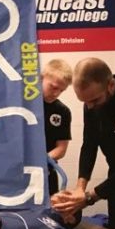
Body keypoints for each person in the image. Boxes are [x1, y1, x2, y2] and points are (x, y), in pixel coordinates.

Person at [51, 57, 115, 229]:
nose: (90, 107)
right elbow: (89, 145)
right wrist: (80, 187)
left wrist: (89, 197)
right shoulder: (91, 102)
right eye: (85, 102)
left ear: (110, 85)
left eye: (94, 101)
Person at [41, 59, 72, 196]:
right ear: (41, 78)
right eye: (53, 87)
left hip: (46, 172)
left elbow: (61, 149)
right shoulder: (22, 104)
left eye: (61, 90)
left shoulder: (62, 111)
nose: (56, 93)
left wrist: (40, 159)